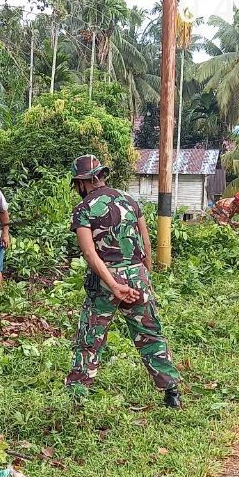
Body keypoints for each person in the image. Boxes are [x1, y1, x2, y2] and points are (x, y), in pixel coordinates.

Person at [65, 154, 181, 409]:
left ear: (82, 181)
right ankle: (171, 392)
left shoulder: (84, 209)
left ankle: (77, 397)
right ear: (102, 176)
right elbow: (146, 242)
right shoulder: (129, 200)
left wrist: (114, 284)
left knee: (90, 337)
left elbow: (89, 254)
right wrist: (144, 276)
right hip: (137, 274)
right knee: (150, 333)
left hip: (107, 280)